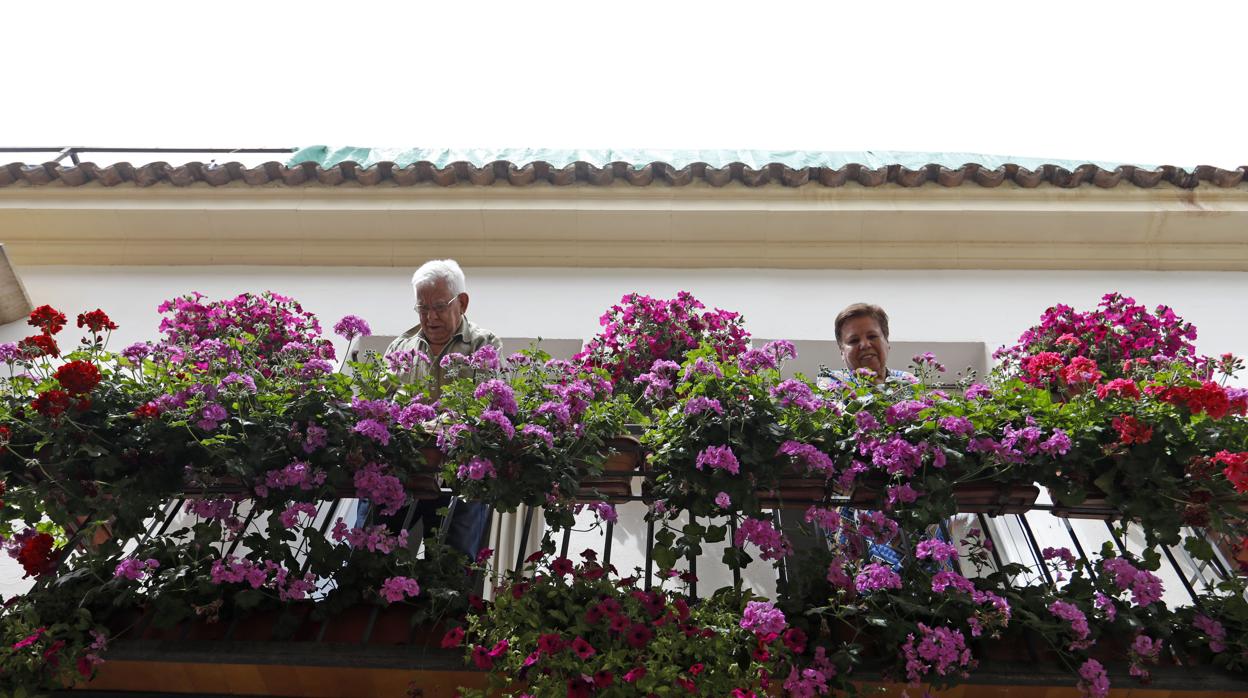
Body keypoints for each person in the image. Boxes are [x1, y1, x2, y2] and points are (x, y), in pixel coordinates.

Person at [360, 259, 501, 559]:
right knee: (373, 554)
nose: (430, 317)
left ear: (461, 303)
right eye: (422, 309)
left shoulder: (482, 343)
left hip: (458, 474)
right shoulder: (401, 347)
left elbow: (485, 404)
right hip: (403, 474)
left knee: (453, 559)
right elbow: (378, 405)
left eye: (438, 306)